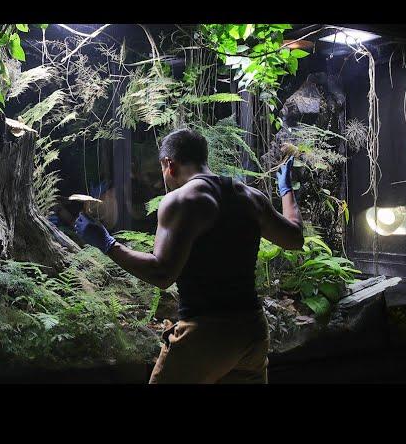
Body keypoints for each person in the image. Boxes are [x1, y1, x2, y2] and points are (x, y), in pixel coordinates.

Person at [74, 128, 303, 384]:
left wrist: (107, 243)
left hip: (205, 335)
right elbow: (294, 238)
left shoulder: (181, 200)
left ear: (169, 164)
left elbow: (162, 273)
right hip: (252, 332)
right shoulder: (251, 197)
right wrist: (286, 190)